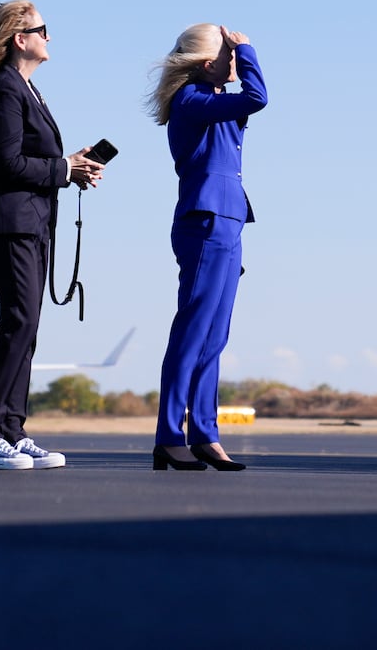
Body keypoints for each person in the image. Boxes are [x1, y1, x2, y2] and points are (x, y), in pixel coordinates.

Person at [0, 1, 104, 471]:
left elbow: (29, 159)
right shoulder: (4, 90)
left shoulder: (26, 90)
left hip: (31, 222)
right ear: (20, 39)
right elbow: (5, 163)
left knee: (27, 324)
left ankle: (11, 429)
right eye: (43, 29)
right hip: (8, 224)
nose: (49, 37)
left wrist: (70, 166)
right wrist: (65, 168)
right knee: (19, 320)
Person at [148, 23, 267, 472]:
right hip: (205, 221)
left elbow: (245, 105)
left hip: (229, 221)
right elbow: (258, 97)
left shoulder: (213, 103)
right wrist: (250, 51)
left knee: (215, 336)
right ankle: (168, 435)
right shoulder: (191, 101)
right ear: (205, 64)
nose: (234, 61)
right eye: (228, 54)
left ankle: (204, 433)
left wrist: (238, 58)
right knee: (193, 331)